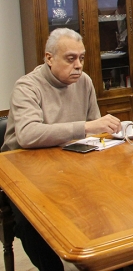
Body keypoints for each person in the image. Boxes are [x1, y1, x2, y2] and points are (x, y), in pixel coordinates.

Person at [2, 28, 122, 271]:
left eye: (81, 58)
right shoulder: (27, 87)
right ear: (49, 58)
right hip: (24, 172)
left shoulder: (84, 81)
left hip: (70, 163)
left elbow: (95, 131)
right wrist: (86, 127)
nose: (78, 65)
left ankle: (113, 261)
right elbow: (27, 135)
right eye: (70, 58)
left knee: (111, 201)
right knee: (31, 223)